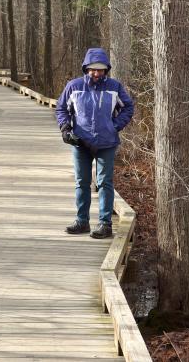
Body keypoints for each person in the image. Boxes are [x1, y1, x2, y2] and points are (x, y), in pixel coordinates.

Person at [56, 48, 134, 239]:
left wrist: (113, 126)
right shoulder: (74, 87)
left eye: (100, 70)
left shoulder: (114, 87)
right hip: (80, 142)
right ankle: (82, 221)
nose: (96, 73)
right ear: (86, 68)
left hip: (106, 143)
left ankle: (105, 224)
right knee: (82, 182)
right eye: (92, 69)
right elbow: (61, 109)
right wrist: (65, 128)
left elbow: (128, 107)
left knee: (104, 183)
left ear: (106, 70)